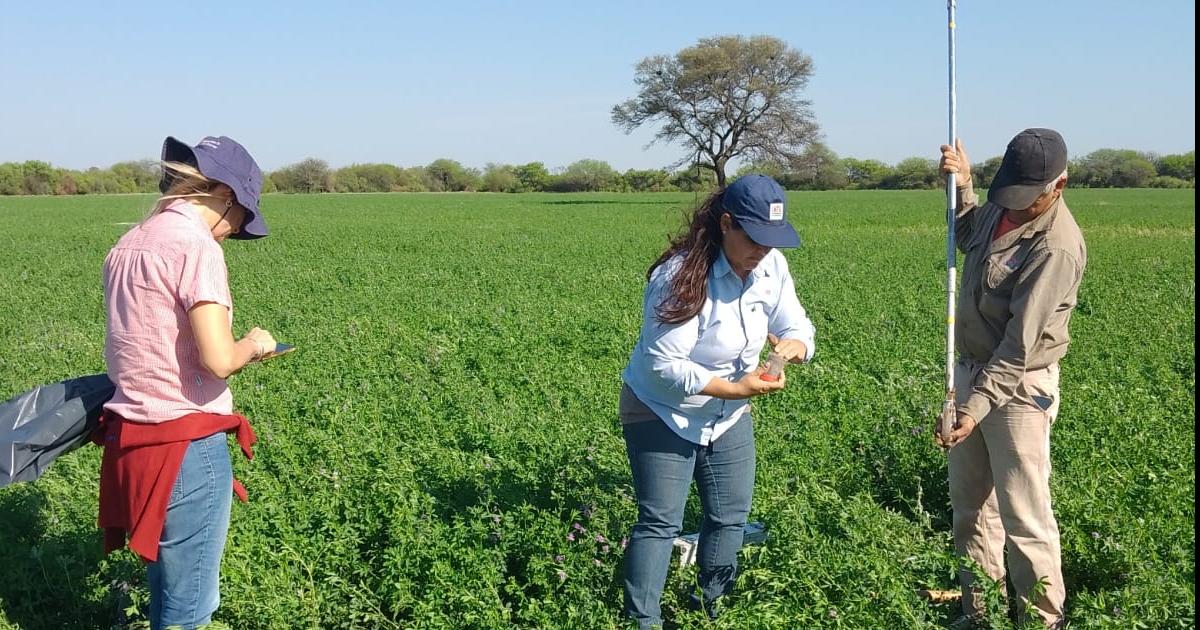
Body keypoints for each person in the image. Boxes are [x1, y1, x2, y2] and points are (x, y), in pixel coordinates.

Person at [619, 174, 815, 628]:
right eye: (754, 238)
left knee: (729, 517)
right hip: (661, 409)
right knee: (659, 521)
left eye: (772, 240)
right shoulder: (681, 277)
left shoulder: (772, 267)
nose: (762, 251)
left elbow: (799, 324)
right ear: (726, 223)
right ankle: (641, 622)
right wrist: (736, 388)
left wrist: (792, 347)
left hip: (727, 416)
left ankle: (709, 611)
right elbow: (662, 367)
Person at [97, 135, 275, 630]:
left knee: (165, 586)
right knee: (190, 604)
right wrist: (255, 345)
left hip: (132, 441)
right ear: (221, 192)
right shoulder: (194, 247)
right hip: (187, 446)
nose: (232, 231)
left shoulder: (129, 242)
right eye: (240, 216)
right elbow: (218, 360)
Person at [937, 128, 1087, 629]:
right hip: (971, 371)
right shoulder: (1002, 207)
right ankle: (978, 616)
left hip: (1018, 390)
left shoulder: (1056, 248)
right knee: (971, 510)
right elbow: (965, 235)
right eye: (1011, 194)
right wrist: (963, 185)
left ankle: (1042, 622)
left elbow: (1017, 350)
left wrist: (972, 409)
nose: (1017, 207)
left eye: (1029, 197)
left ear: (1059, 185)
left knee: (1024, 516)